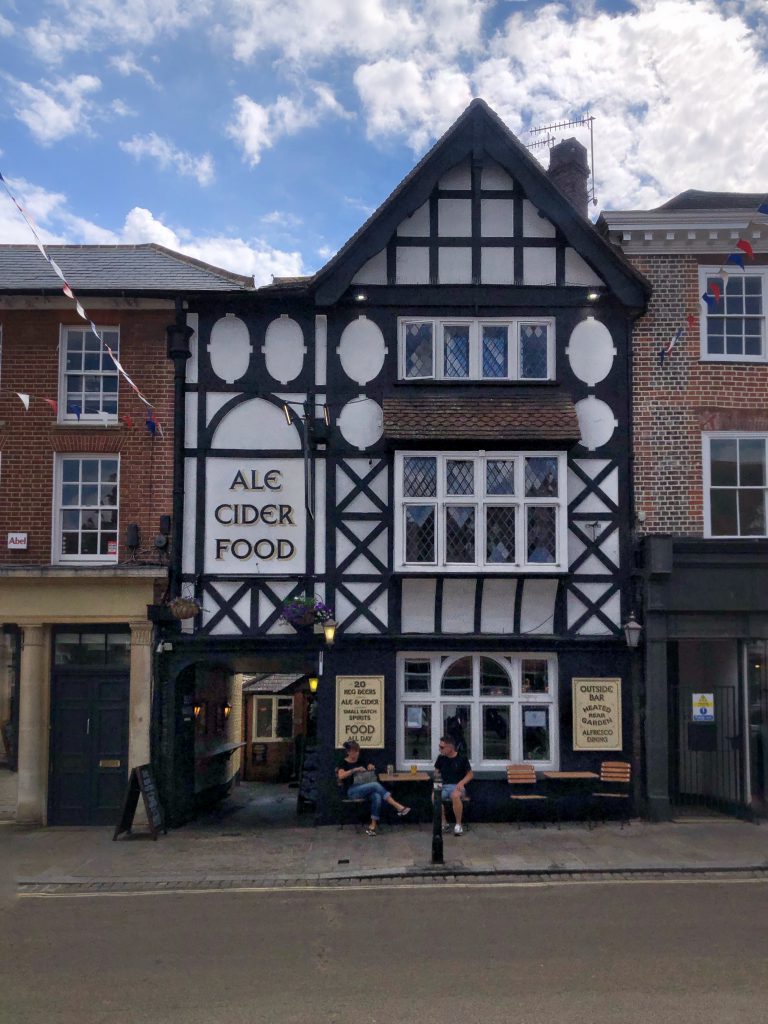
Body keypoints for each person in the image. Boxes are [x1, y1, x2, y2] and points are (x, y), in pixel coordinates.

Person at [336, 740, 410, 836]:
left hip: (364, 787)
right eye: (354, 751)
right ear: (349, 752)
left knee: (376, 796)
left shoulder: (361, 760)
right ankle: (397, 806)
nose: (357, 753)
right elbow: (341, 776)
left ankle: (372, 826)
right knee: (375, 785)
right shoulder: (343, 762)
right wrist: (354, 769)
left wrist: (370, 766)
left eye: (358, 751)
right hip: (352, 791)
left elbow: (368, 767)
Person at [433, 735, 473, 835]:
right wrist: (437, 783)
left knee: (455, 796)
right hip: (444, 785)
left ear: (450, 747)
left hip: (457, 786)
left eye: (442, 747)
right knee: (435, 797)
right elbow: (436, 773)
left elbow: (470, 774)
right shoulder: (441, 758)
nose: (440, 749)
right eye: (439, 746)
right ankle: (444, 823)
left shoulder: (462, 758)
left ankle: (458, 825)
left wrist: (462, 782)